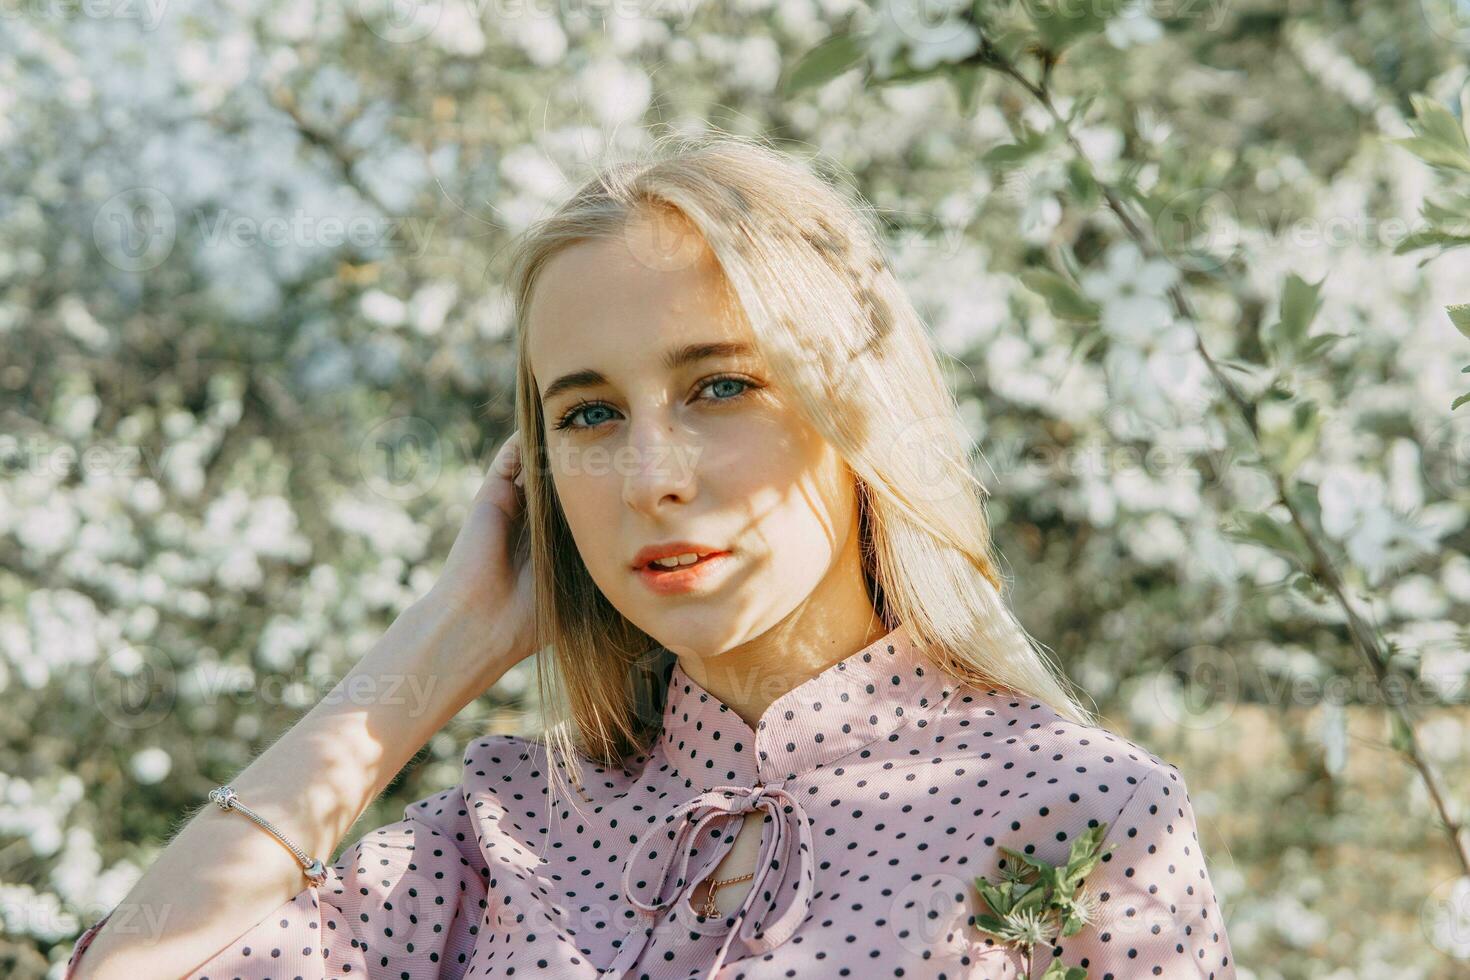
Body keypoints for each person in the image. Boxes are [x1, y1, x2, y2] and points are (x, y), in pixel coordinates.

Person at [65, 133, 1236, 979]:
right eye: (587, 414)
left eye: (720, 385)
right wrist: (440, 642)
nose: (651, 473)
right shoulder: (504, 827)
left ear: (853, 411)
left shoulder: (1073, 810)